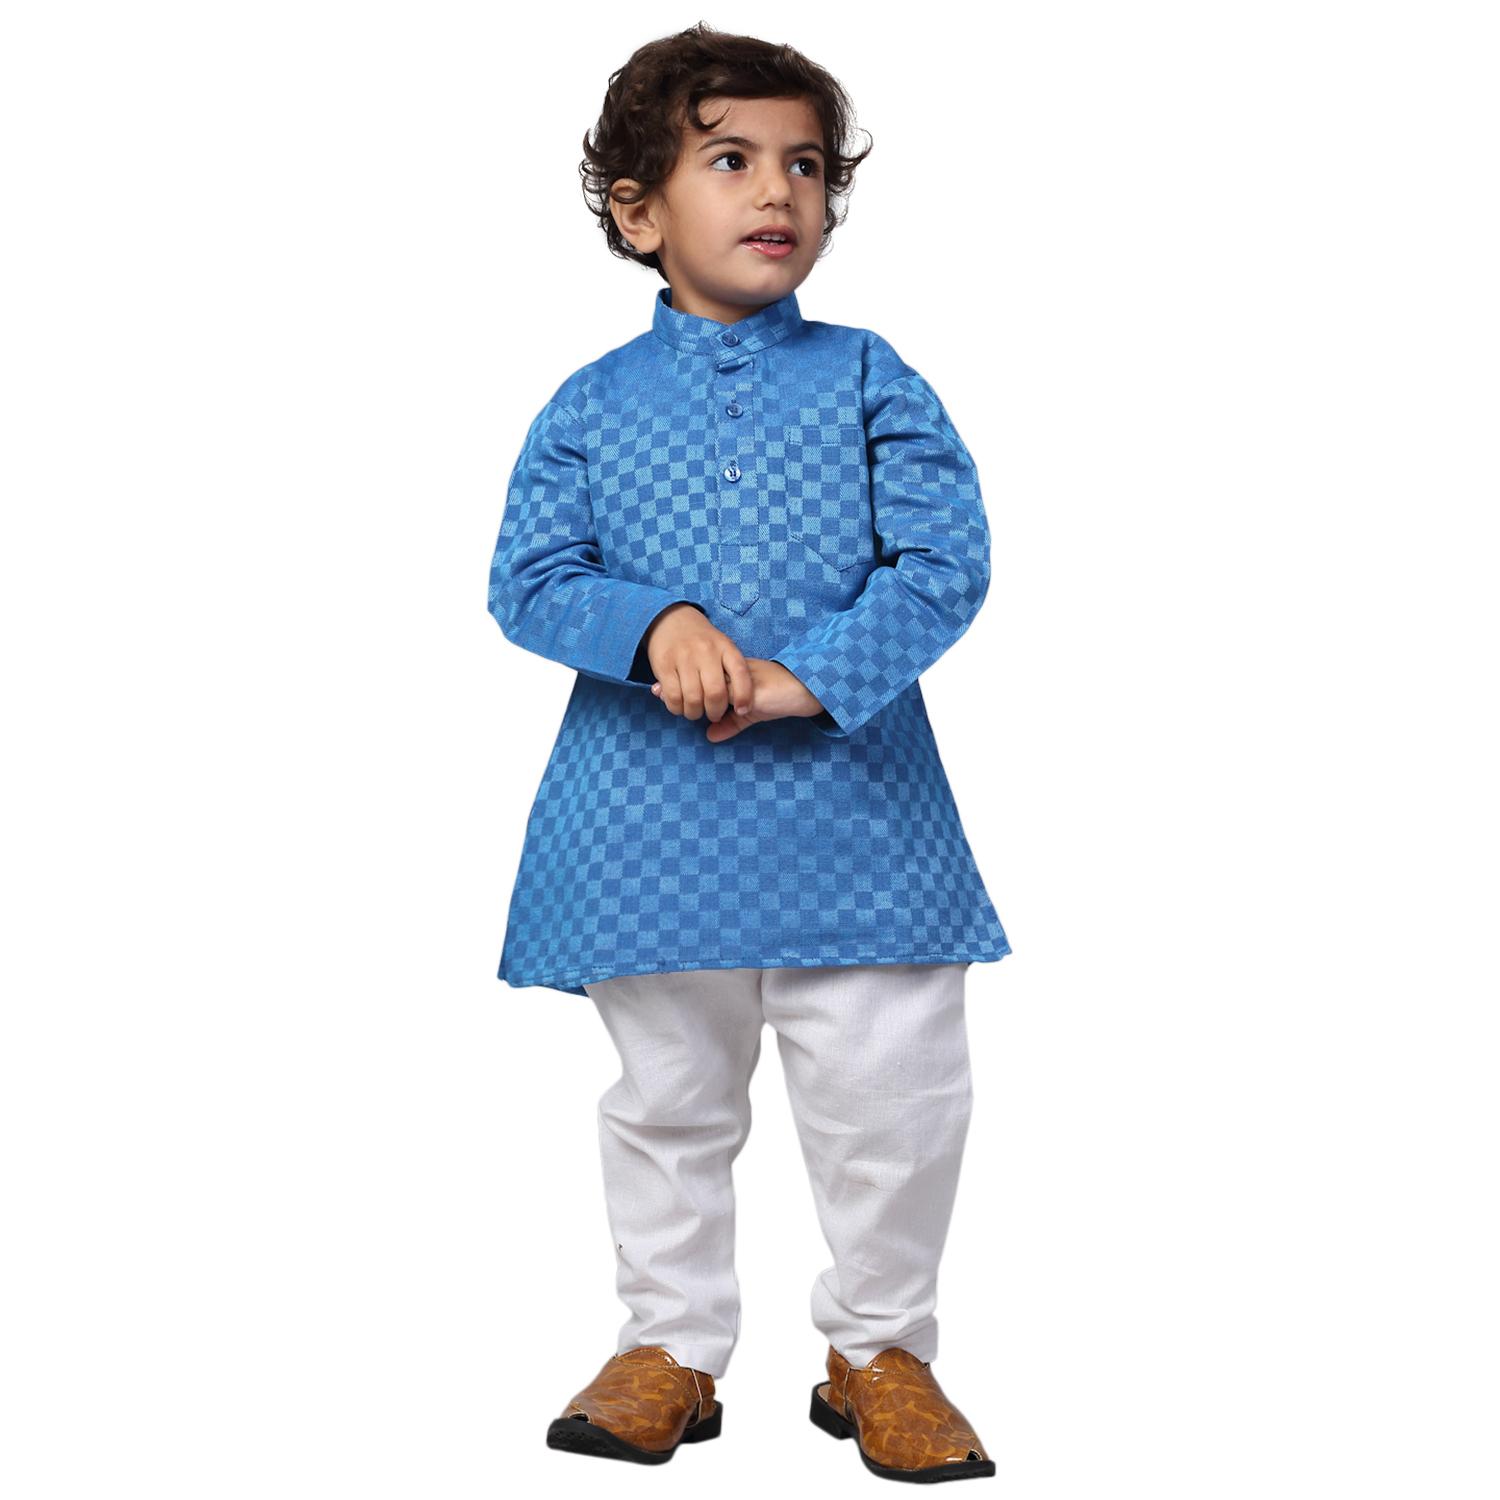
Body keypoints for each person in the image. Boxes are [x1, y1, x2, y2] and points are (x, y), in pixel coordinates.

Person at [487, 25, 1011, 1480]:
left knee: (896, 1101)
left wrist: (806, 677)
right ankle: (669, 1346)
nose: (779, 191)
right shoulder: (590, 404)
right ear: (637, 211)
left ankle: (881, 1350)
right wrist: (653, 621)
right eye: (730, 160)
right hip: (646, 823)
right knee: (667, 1102)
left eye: (806, 165)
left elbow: (946, 561)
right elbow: (528, 580)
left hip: (860, 818)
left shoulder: (870, 378)